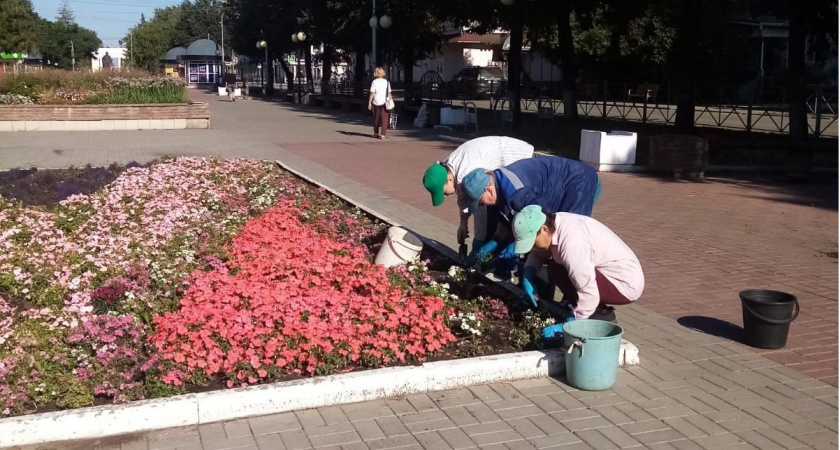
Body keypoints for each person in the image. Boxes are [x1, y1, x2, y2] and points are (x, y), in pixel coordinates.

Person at [511, 205, 644, 332]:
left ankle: (601, 315)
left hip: (624, 284)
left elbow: (589, 292)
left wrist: (570, 324)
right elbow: (539, 252)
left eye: (533, 242)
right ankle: (577, 305)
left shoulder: (572, 245)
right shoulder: (554, 224)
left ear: (545, 229)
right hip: (605, 273)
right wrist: (528, 274)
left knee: (559, 270)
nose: (533, 247)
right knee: (555, 267)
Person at [461, 155, 602, 263]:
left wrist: (516, 247)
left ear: (489, 190)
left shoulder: (519, 195)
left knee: (568, 238)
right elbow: (509, 218)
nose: (482, 205)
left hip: (578, 182)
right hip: (559, 183)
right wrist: (496, 240)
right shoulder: (498, 181)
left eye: (480, 201)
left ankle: (576, 294)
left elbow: (543, 224)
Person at [422, 136, 534, 262]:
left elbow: (480, 211)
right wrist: (463, 223)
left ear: (449, 180)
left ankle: (511, 258)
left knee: (514, 214)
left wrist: (478, 245)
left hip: (518, 159)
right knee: (497, 215)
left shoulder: (467, 173)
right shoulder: (449, 169)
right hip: (503, 166)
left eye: (443, 192)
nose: (444, 196)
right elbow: (463, 197)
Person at [367, 67, 392, 140]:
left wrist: (369, 102)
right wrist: (390, 99)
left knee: (376, 118)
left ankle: (376, 132)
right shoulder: (387, 82)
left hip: (376, 101)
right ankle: (383, 134)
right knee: (384, 118)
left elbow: (372, 93)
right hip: (385, 102)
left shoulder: (374, 82)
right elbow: (389, 93)